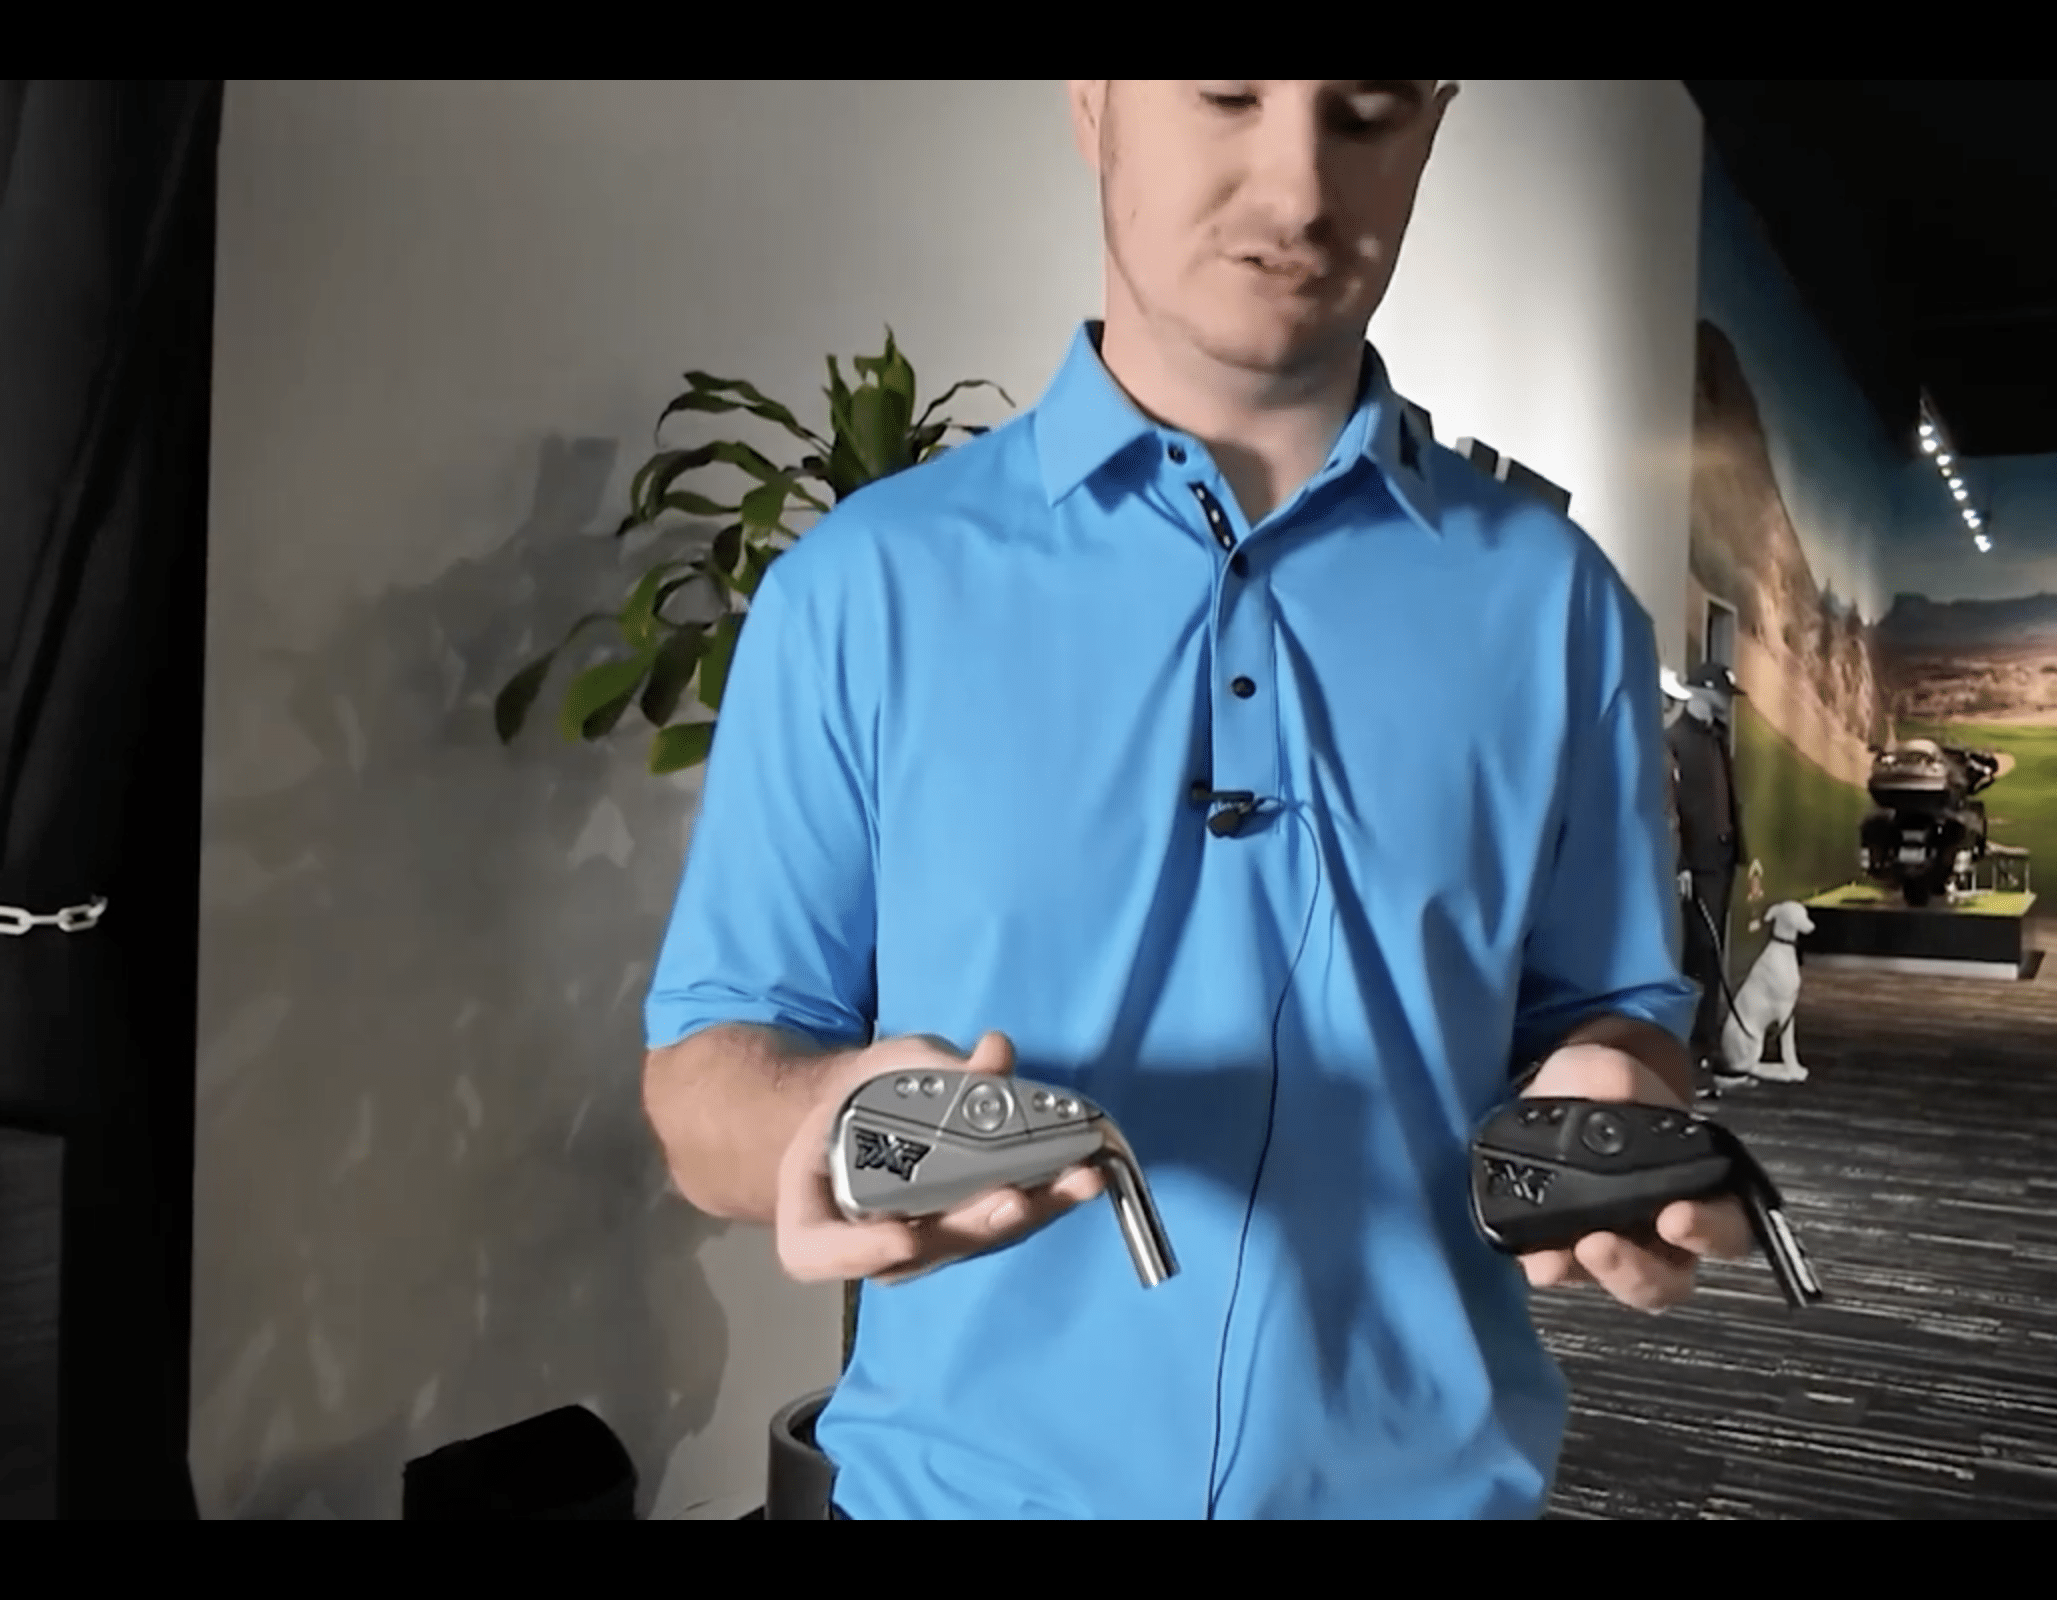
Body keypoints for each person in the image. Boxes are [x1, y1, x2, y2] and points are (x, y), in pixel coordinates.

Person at [639, 79, 1753, 1522]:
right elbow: (704, 1081)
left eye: (1366, 112)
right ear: (1092, 100)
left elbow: (1616, 1007)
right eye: (1228, 93)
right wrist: (832, 1116)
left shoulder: (1560, 609)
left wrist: (1614, 1081)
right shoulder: (861, 589)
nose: (1298, 189)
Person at [1663, 661, 1749, 1078]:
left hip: (1723, 860)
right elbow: (1667, 811)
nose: (1727, 705)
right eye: (1722, 696)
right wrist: (1680, 862)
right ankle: (1690, 1051)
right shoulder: (1672, 741)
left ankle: (1707, 1046)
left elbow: (1728, 799)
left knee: (1712, 958)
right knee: (1696, 957)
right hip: (1695, 866)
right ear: (1700, 693)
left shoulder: (1717, 738)